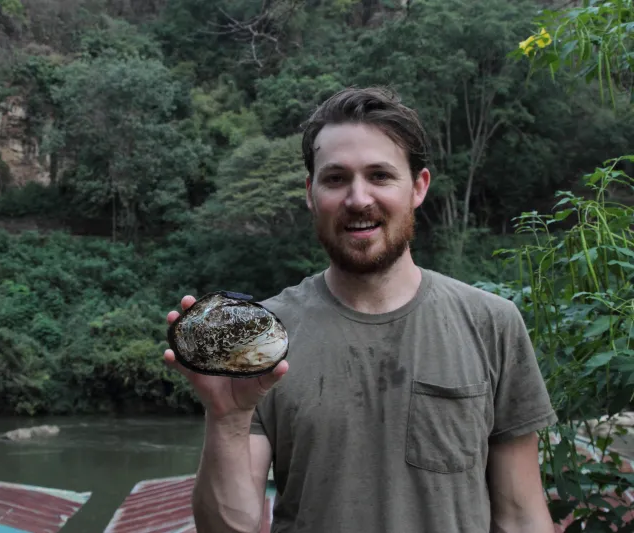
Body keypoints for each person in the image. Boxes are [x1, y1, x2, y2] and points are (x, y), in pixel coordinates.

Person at [163, 86, 558, 533]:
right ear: (311, 193)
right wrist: (228, 420)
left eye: (380, 176)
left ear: (418, 187)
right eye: (335, 179)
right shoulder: (262, 344)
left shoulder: (492, 324)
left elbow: (523, 517)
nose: (358, 199)